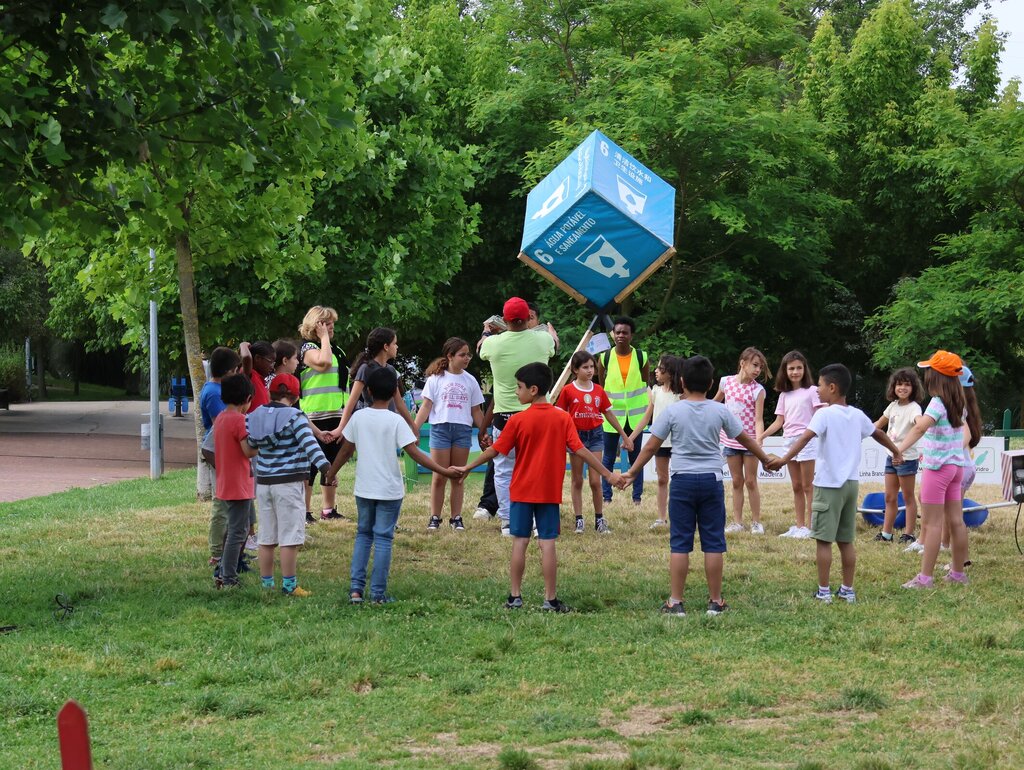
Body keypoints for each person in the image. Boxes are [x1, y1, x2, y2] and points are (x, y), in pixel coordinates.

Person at [453, 363, 622, 612]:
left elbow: (495, 450)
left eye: (519, 388)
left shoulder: (518, 420)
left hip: (521, 492)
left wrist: (468, 467)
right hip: (548, 493)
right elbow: (581, 450)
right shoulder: (563, 418)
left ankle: (514, 597)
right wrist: (608, 474)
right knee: (548, 543)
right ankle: (550, 599)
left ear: (533, 390)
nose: (516, 392)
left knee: (519, 542)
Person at [619, 355, 774, 616]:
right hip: (712, 481)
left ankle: (676, 602)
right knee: (713, 542)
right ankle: (715, 601)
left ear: (681, 381)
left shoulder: (673, 411)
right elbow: (746, 440)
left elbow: (651, 446)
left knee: (680, 543)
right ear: (712, 383)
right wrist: (766, 459)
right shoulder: (720, 410)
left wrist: (632, 473)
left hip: (681, 482)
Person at [767, 364, 902, 604]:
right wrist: (896, 452)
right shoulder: (857, 414)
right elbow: (878, 434)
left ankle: (824, 591)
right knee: (846, 541)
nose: (816, 390)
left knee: (823, 540)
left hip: (828, 485)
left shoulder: (824, 414)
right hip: (850, 485)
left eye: (819, 385)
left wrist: (783, 459)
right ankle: (847, 590)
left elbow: (805, 437)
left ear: (832, 387)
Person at [325, 367, 458, 604]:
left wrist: (330, 473)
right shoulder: (396, 421)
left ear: (367, 390)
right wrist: (443, 470)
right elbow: (415, 453)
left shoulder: (358, 417)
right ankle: (378, 594)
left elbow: (346, 450)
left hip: (364, 490)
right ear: (394, 392)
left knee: (363, 536)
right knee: (384, 539)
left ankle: (356, 591)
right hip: (389, 491)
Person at [246, 374, 330, 597]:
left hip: (263, 484)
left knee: (266, 537)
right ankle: (290, 586)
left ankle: (266, 585)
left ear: (271, 393)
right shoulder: (296, 417)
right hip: (289, 484)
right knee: (289, 537)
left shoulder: (254, 416)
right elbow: (311, 446)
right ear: (294, 396)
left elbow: (251, 443)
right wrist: (327, 470)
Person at [479, 297, 555, 536]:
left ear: (505, 320)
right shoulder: (542, 340)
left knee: (503, 470)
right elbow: (555, 343)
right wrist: (551, 332)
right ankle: (533, 521)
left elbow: (481, 347)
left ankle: (508, 521)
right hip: (537, 416)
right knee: (535, 469)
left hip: (505, 416)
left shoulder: (495, 343)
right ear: (527, 317)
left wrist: (486, 331)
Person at [896, 351, 971, 588]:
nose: (925, 375)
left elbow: (920, 429)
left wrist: (899, 450)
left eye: (928, 371)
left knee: (931, 525)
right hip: (956, 467)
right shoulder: (959, 401)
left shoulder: (937, 403)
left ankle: (925, 578)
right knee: (957, 522)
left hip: (937, 469)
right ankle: (958, 573)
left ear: (935, 376)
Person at [414, 337, 487, 531]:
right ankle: (435, 516)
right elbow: (426, 406)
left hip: (462, 431)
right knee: (439, 475)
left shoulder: (470, 380)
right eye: (462, 355)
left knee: (458, 476)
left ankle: (456, 518)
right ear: (450, 356)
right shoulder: (436, 379)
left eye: (468, 354)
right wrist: (415, 428)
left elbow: (476, 411)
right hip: (441, 429)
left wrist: (483, 432)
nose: (467, 358)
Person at [555, 351, 632, 534]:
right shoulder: (568, 390)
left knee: (595, 480)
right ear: (575, 369)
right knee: (577, 479)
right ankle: (579, 519)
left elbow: (608, 413)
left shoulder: (598, 390)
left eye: (592, 367)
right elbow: (559, 415)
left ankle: (599, 519)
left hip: (596, 435)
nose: (590, 371)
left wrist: (624, 435)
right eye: (585, 367)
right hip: (576, 437)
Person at [297, 306, 348, 523]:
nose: (331, 327)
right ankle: (305, 512)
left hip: (336, 414)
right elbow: (323, 362)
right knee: (310, 467)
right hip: (313, 415)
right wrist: (324, 338)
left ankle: (328, 509)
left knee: (331, 462)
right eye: (326, 323)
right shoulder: (307, 348)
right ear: (315, 326)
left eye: (332, 323)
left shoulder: (337, 350)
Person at [764, 350, 821, 539]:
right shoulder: (784, 395)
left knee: (807, 485)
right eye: (791, 368)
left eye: (798, 368)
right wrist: (761, 436)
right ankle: (800, 526)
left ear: (804, 369)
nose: (795, 372)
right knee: (796, 485)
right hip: (788, 441)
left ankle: (813, 526)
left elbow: (822, 415)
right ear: (785, 371)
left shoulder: (813, 391)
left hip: (807, 440)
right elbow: (779, 422)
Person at [714, 347, 769, 535]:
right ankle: (737, 522)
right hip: (729, 441)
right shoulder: (725, 382)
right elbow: (715, 404)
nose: (757, 370)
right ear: (742, 362)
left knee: (751, 482)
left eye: (760, 367)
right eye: (755, 365)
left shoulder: (758, 390)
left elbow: (758, 419)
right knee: (736, 481)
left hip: (750, 443)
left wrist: (759, 441)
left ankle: (756, 522)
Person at [597, 316, 651, 506]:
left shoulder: (641, 357)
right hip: (612, 417)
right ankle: (606, 496)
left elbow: (645, 383)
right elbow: (602, 385)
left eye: (624, 333)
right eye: (617, 332)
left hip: (635, 417)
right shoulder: (604, 357)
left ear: (631, 335)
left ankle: (637, 497)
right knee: (609, 457)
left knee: (637, 458)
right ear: (614, 334)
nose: (620, 335)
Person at [212, 373, 258, 589]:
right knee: (238, 532)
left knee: (235, 528)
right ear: (248, 398)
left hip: (226, 482)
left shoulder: (221, 417)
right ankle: (227, 576)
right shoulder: (239, 420)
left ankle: (223, 571)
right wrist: (262, 443)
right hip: (239, 485)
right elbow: (248, 451)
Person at [872, 368, 924, 546]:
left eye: (907, 385)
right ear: (893, 387)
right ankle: (887, 533)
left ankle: (908, 534)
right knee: (890, 497)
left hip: (906, 458)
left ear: (914, 388)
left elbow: (919, 425)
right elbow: (877, 425)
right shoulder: (893, 406)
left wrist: (900, 451)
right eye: (899, 384)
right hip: (890, 456)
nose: (902, 388)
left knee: (908, 497)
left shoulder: (914, 408)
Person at [629, 355, 681, 530]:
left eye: (661, 368)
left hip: (678, 443)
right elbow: (646, 417)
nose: (656, 371)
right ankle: (661, 518)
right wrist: (631, 437)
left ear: (671, 372)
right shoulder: (656, 392)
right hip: (660, 443)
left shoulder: (681, 395)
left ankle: (680, 516)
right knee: (662, 479)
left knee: (679, 479)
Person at [201, 346, 241, 571]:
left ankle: (226, 548)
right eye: (235, 370)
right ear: (227, 371)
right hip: (218, 451)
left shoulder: (214, 388)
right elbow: (221, 425)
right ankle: (217, 552)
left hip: (221, 451)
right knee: (220, 503)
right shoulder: (215, 392)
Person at [338, 327, 417, 434]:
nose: (397, 347)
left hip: (389, 424)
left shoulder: (391, 370)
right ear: (386, 347)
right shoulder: (366, 369)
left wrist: (413, 425)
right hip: (371, 425)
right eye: (394, 343)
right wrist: (340, 428)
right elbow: (352, 401)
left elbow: (399, 403)